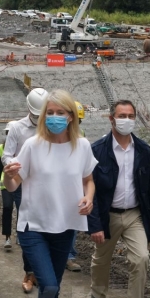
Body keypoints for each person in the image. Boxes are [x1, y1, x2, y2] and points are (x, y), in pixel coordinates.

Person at [3, 89, 97, 298]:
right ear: (44, 116)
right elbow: (13, 186)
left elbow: (88, 179)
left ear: (71, 116)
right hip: (34, 226)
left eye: (61, 113)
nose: (55, 117)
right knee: (51, 285)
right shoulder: (32, 145)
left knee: (51, 288)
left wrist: (89, 198)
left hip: (65, 225)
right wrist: (8, 174)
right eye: (50, 113)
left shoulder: (81, 146)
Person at [87, 100, 150, 298]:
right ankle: (98, 295)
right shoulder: (97, 150)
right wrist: (95, 224)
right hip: (108, 214)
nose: (126, 120)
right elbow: (90, 190)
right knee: (101, 259)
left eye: (130, 115)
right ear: (111, 118)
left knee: (141, 259)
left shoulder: (143, 150)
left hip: (134, 215)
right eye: (121, 115)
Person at [2, 87, 48, 293]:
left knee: (49, 227)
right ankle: (29, 272)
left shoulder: (52, 127)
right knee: (29, 228)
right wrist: (16, 166)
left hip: (49, 185)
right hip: (24, 185)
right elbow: (7, 155)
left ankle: (44, 272)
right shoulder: (17, 129)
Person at [66, 101, 87, 272]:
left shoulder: (82, 139)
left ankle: (69, 257)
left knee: (72, 224)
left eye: (78, 122)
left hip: (74, 188)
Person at [0, 123, 18, 251]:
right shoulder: (2, 148)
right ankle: (7, 237)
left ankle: (20, 235)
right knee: (7, 208)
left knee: (22, 210)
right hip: (6, 185)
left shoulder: (25, 146)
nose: (9, 135)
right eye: (7, 133)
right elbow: (0, 166)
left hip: (21, 184)